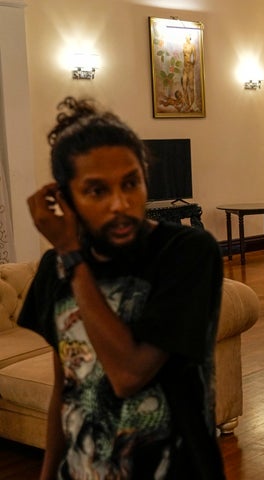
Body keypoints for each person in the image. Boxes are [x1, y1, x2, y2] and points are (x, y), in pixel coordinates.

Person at [19, 97, 225, 479]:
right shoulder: (54, 269)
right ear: (66, 198)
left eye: (131, 182)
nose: (121, 204)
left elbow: (129, 375)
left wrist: (70, 255)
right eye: (97, 191)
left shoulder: (187, 253)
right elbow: (66, 385)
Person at [181, 34, 197, 112]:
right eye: (186, 36)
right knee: (184, 86)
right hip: (185, 67)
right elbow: (183, 55)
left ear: (190, 38)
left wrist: (191, 62)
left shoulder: (192, 46)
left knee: (191, 87)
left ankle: (192, 104)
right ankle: (186, 104)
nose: (187, 38)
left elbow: (195, 58)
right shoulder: (184, 45)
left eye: (188, 37)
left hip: (190, 67)